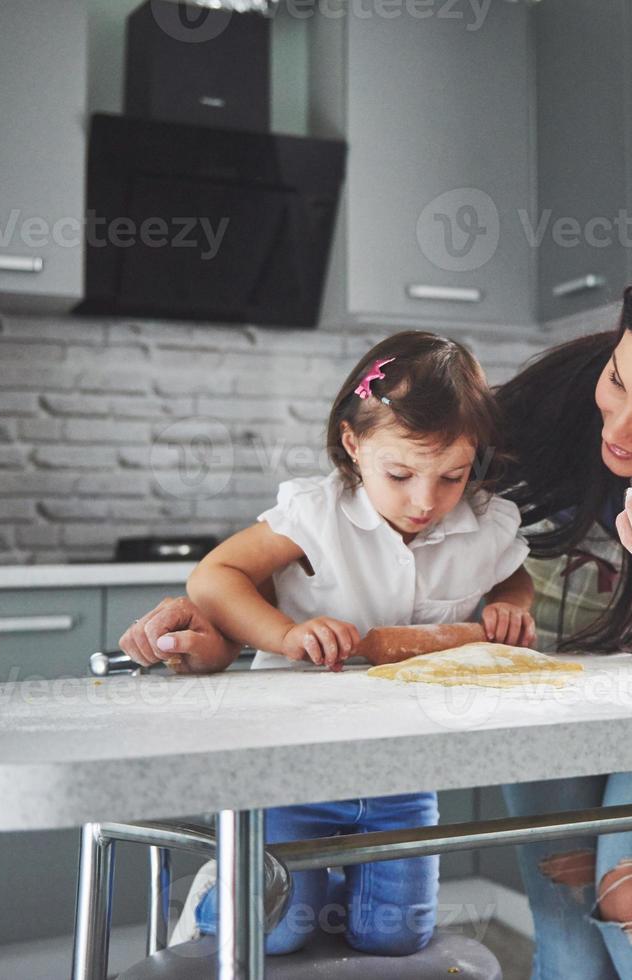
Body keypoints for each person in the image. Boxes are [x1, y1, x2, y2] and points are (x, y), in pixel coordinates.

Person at [120, 262, 632, 978]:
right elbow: (383, 531)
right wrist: (232, 617)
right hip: (544, 674)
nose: (616, 429)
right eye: (618, 383)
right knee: (564, 903)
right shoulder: (541, 407)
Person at [164, 330, 535, 957]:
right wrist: (287, 634)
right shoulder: (317, 514)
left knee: (393, 934)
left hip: (403, 774)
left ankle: (321, 900)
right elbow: (213, 577)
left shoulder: (483, 521)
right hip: (295, 767)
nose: (426, 500)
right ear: (353, 444)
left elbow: (515, 577)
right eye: (401, 473)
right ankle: (224, 896)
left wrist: (509, 609)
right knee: (276, 931)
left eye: (451, 476)